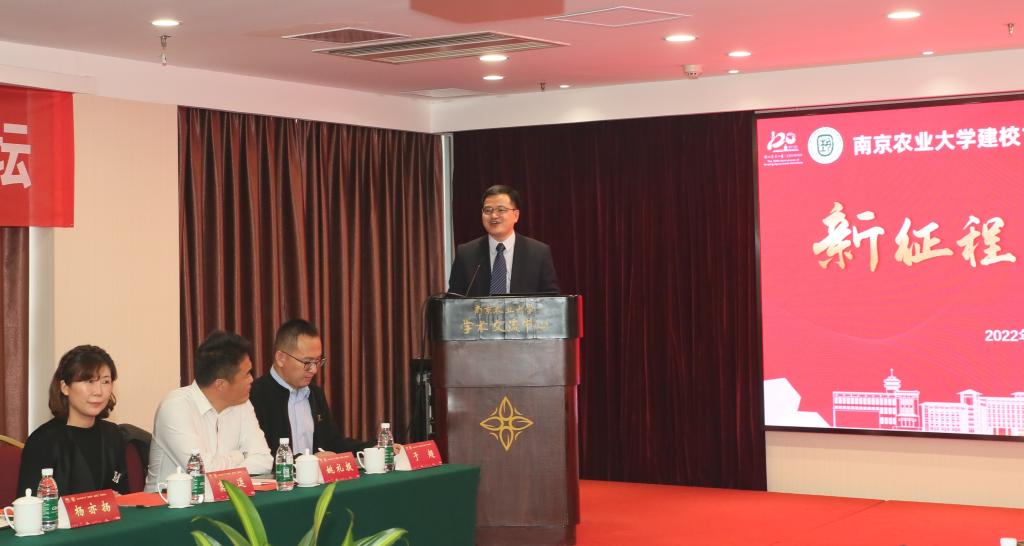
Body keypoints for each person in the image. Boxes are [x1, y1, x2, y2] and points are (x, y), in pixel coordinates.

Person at [145, 331, 272, 491]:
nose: (252, 379)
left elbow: (264, 461)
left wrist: (219, 466)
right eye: (247, 374)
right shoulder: (175, 408)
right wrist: (240, 455)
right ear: (220, 384)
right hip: (168, 503)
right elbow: (202, 473)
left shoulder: (242, 403)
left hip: (223, 499)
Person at [250, 319, 374, 458]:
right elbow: (257, 458)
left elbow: (333, 444)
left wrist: (372, 448)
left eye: (317, 361)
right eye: (307, 362)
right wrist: (308, 461)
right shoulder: (254, 396)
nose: (314, 370)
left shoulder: (315, 393)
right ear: (281, 358)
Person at [18, 345, 130, 495]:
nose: (98, 392)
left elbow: (124, 495)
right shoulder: (43, 441)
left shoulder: (113, 434)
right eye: (89, 381)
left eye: (105, 382)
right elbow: (30, 503)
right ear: (65, 387)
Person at [448, 185, 559, 297]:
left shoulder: (538, 253)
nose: (494, 215)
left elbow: (551, 298)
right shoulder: (466, 253)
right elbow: (454, 299)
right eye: (488, 210)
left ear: (516, 215)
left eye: (501, 210)